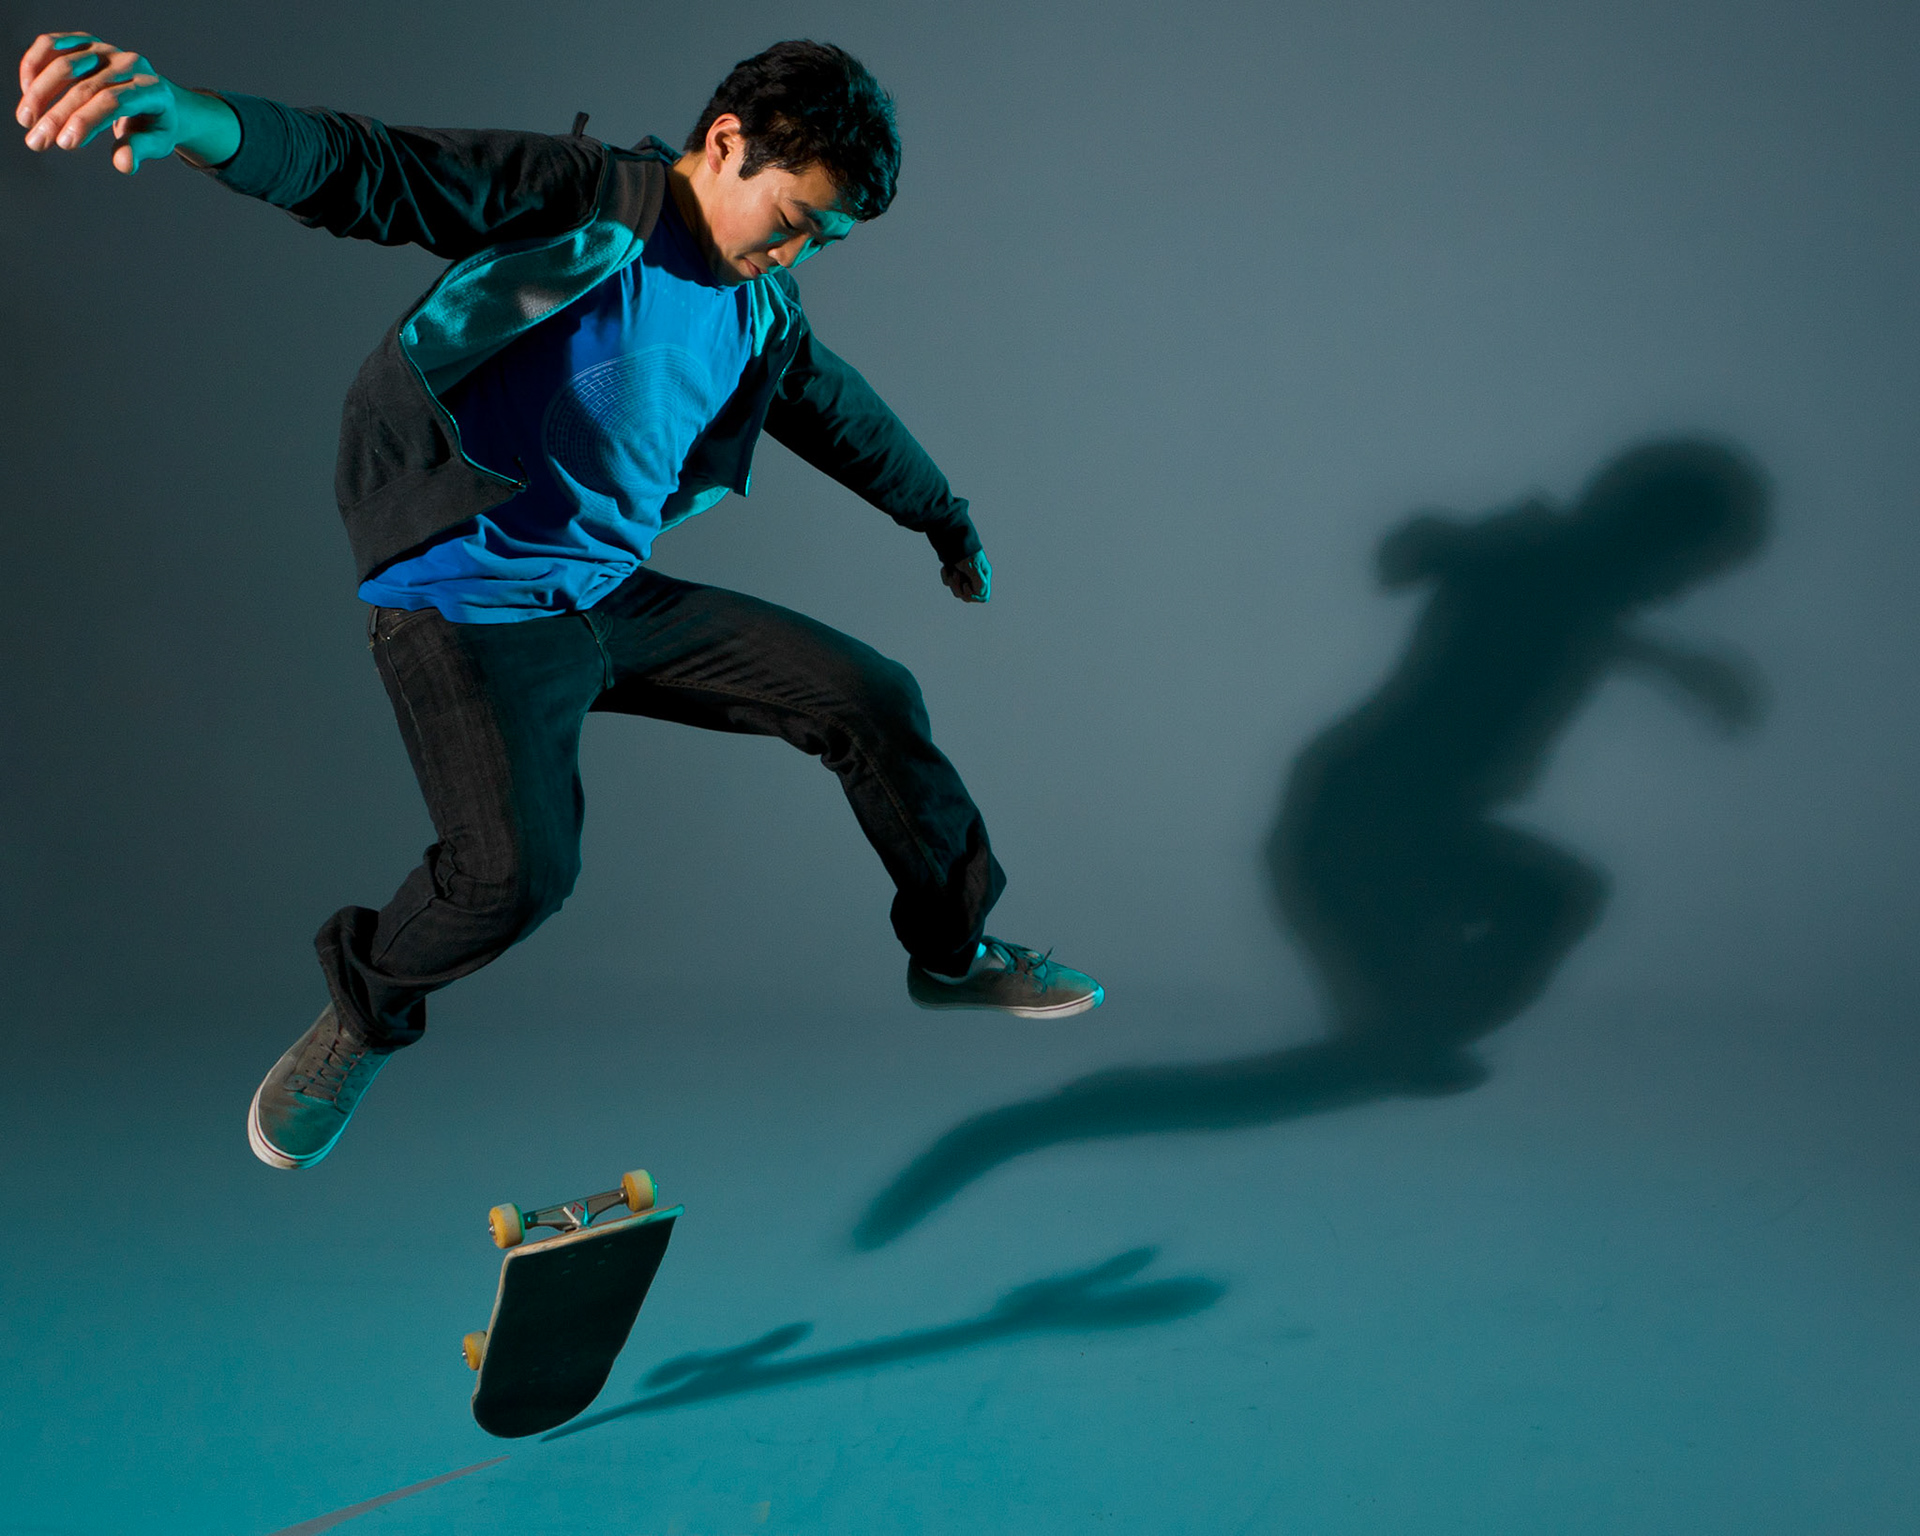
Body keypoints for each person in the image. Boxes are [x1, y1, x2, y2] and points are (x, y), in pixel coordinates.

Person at [16, 30, 1104, 1172]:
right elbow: (379, 171)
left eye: (820, 244)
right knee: (519, 876)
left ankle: (950, 951)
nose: (791, 256)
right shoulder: (587, 201)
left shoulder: (760, 311)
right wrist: (195, 120)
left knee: (874, 698)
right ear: (727, 142)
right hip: (466, 604)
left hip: (609, 594)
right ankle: (362, 1011)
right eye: (790, 221)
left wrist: (941, 513)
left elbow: (838, 410)